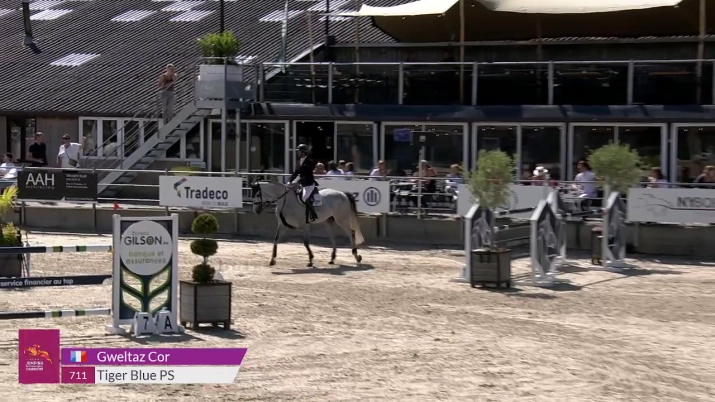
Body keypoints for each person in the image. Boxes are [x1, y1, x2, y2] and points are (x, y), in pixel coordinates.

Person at [289, 144, 318, 223]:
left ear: (303, 152)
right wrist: (290, 181)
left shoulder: (309, 162)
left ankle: (313, 214)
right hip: (303, 184)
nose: (297, 153)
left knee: (304, 198)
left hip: (309, 184)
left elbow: (306, 174)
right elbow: (296, 172)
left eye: (299, 151)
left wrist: (297, 181)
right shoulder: (300, 161)